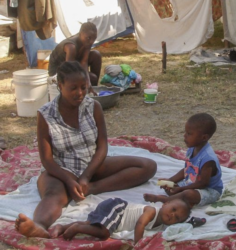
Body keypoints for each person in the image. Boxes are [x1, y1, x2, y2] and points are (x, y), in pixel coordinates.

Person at [15, 61, 157, 238]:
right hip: (61, 169)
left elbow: (102, 146)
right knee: (53, 195)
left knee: (148, 166)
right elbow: (47, 160)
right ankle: (38, 226)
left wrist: (86, 178)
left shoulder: (93, 107)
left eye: (84, 87)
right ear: (60, 86)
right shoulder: (46, 114)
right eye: (73, 88)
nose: (80, 93)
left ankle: (90, 189)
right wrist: (68, 180)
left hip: (92, 164)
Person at [144, 113, 223, 207]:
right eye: (185, 132)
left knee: (188, 194)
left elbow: (203, 183)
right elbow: (187, 170)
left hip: (210, 190)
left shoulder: (208, 159)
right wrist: (170, 181)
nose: (185, 136)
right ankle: (181, 198)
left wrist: (182, 189)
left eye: (189, 134)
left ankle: (165, 199)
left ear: (204, 137)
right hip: (193, 183)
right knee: (171, 188)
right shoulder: (192, 149)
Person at [51, 197, 191, 243]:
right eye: (173, 210)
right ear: (165, 204)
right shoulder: (152, 211)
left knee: (91, 225)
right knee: (104, 233)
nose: (172, 215)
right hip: (117, 208)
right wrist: (138, 244)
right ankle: (76, 228)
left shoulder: (161, 227)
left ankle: (62, 227)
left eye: (177, 217)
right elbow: (140, 224)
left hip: (116, 219)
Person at [48, 22, 102, 87]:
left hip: (73, 63)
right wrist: (87, 79)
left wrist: (88, 82)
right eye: (89, 38)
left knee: (96, 55)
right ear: (80, 34)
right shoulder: (71, 47)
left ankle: (93, 88)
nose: (91, 42)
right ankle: (85, 89)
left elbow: (84, 62)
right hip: (59, 70)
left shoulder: (86, 40)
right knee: (93, 78)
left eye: (94, 38)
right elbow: (70, 72)